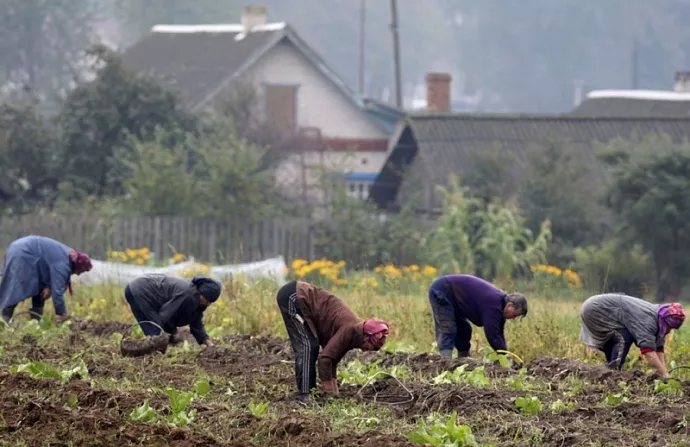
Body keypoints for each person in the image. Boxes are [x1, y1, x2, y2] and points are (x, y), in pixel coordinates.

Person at [276, 280, 390, 403]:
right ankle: (306, 395)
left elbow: (332, 359)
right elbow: (325, 360)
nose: (367, 350)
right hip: (294, 296)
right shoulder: (350, 330)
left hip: (298, 295)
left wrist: (335, 393)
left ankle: (310, 393)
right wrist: (330, 395)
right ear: (366, 337)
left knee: (311, 346)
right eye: (370, 346)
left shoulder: (354, 333)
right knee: (308, 346)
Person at [579, 293, 685, 378]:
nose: (669, 331)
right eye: (669, 327)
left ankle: (608, 371)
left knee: (619, 337)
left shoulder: (659, 316)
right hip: (595, 309)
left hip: (598, 308)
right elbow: (648, 352)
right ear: (665, 322)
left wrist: (664, 371)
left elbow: (658, 347)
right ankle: (614, 373)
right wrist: (664, 373)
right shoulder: (648, 320)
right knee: (624, 337)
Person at [428, 274, 528, 358]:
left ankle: (462, 362)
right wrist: (504, 356)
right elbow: (492, 334)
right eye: (514, 314)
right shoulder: (493, 303)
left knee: (464, 330)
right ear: (509, 305)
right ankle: (445, 364)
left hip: (455, 301)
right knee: (448, 328)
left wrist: (505, 355)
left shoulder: (500, 307)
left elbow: (499, 333)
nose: (513, 318)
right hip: (443, 290)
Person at [0, 235, 93, 323]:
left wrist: (48, 286)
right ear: (78, 266)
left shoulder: (66, 254)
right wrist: (63, 314)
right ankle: (4, 321)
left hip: (23, 250)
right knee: (15, 289)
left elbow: (48, 264)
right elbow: (58, 293)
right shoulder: (63, 263)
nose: (77, 274)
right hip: (23, 253)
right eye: (80, 271)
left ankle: (35, 323)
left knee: (40, 290)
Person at [124, 274, 221, 347]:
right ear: (202, 293)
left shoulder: (198, 299)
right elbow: (165, 315)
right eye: (207, 300)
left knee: (157, 333)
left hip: (138, 289)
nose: (208, 304)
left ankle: (153, 351)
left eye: (211, 302)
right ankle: (152, 356)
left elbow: (196, 322)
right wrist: (173, 332)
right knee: (157, 332)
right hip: (140, 290)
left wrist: (209, 345)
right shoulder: (188, 294)